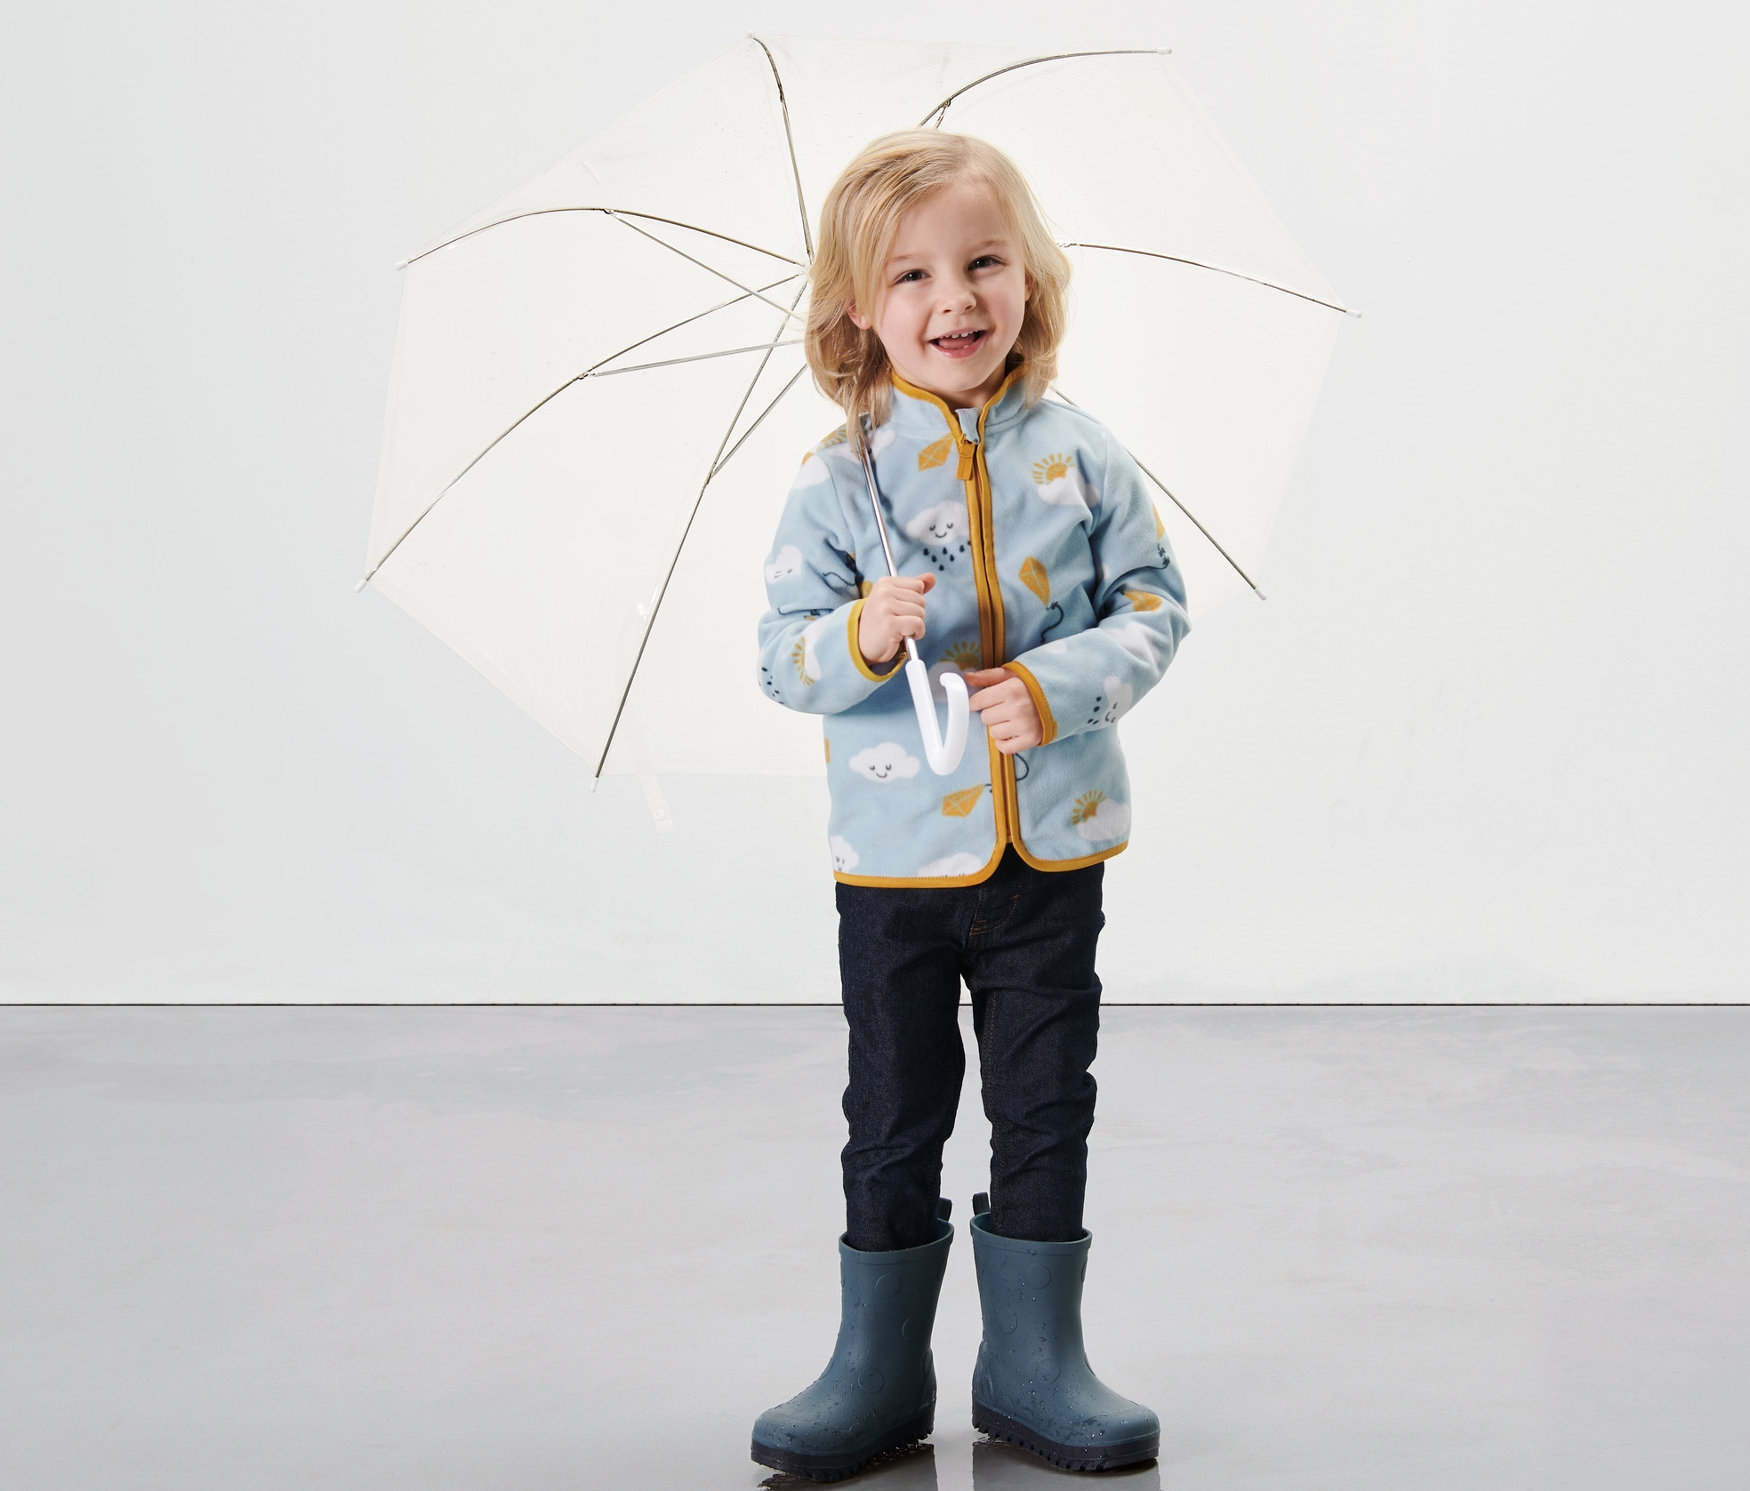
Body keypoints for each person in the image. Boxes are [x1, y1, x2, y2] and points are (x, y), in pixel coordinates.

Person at [750, 128, 1189, 1480]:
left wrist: (1055, 686)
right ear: (855, 312)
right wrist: (864, 639)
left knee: (1044, 1096)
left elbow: (1155, 606)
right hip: (893, 864)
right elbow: (780, 657)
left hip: (1048, 850)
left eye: (983, 263)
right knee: (893, 1107)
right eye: (912, 278)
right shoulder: (837, 483)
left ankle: (1031, 1362)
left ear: (1028, 280)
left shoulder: (1080, 453)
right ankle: (875, 1370)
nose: (954, 302)